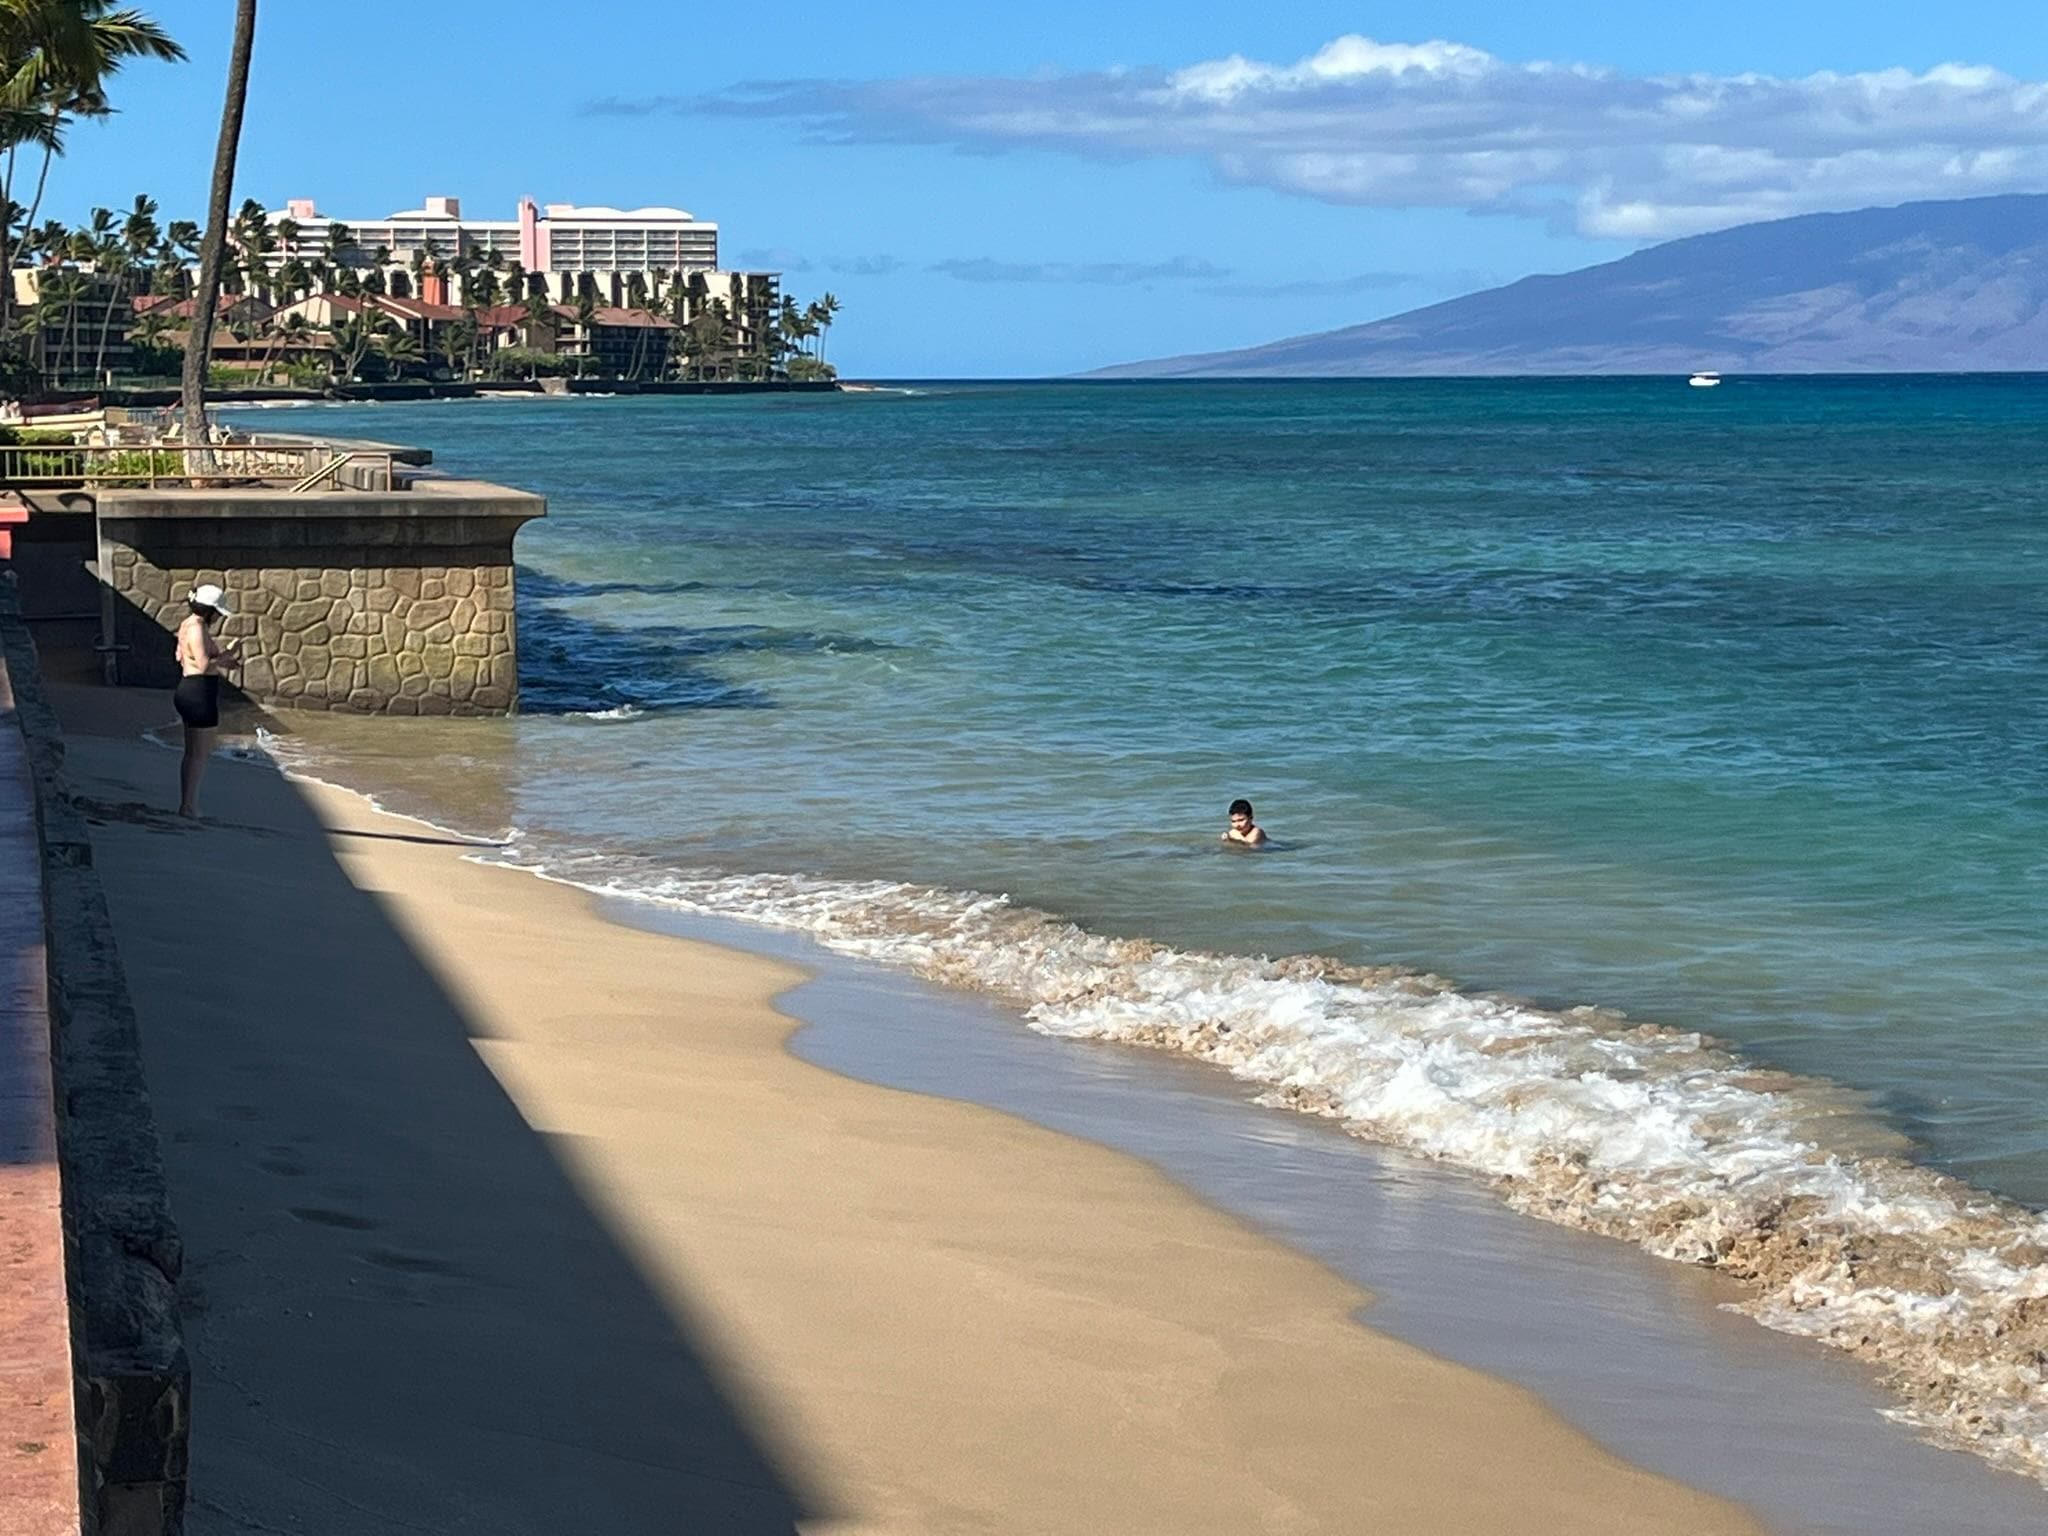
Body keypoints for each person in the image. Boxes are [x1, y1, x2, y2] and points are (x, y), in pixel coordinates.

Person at [173, 583, 243, 818]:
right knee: (198, 754)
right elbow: (203, 664)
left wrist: (225, 659)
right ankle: (189, 807)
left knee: (192, 752)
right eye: (218, 614)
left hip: (191, 691)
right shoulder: (197, 627)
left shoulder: (188, 625)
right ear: (209, 610)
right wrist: (227, 655)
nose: (218, 618)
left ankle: (187, 804)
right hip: (198, 693)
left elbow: (190, 658)